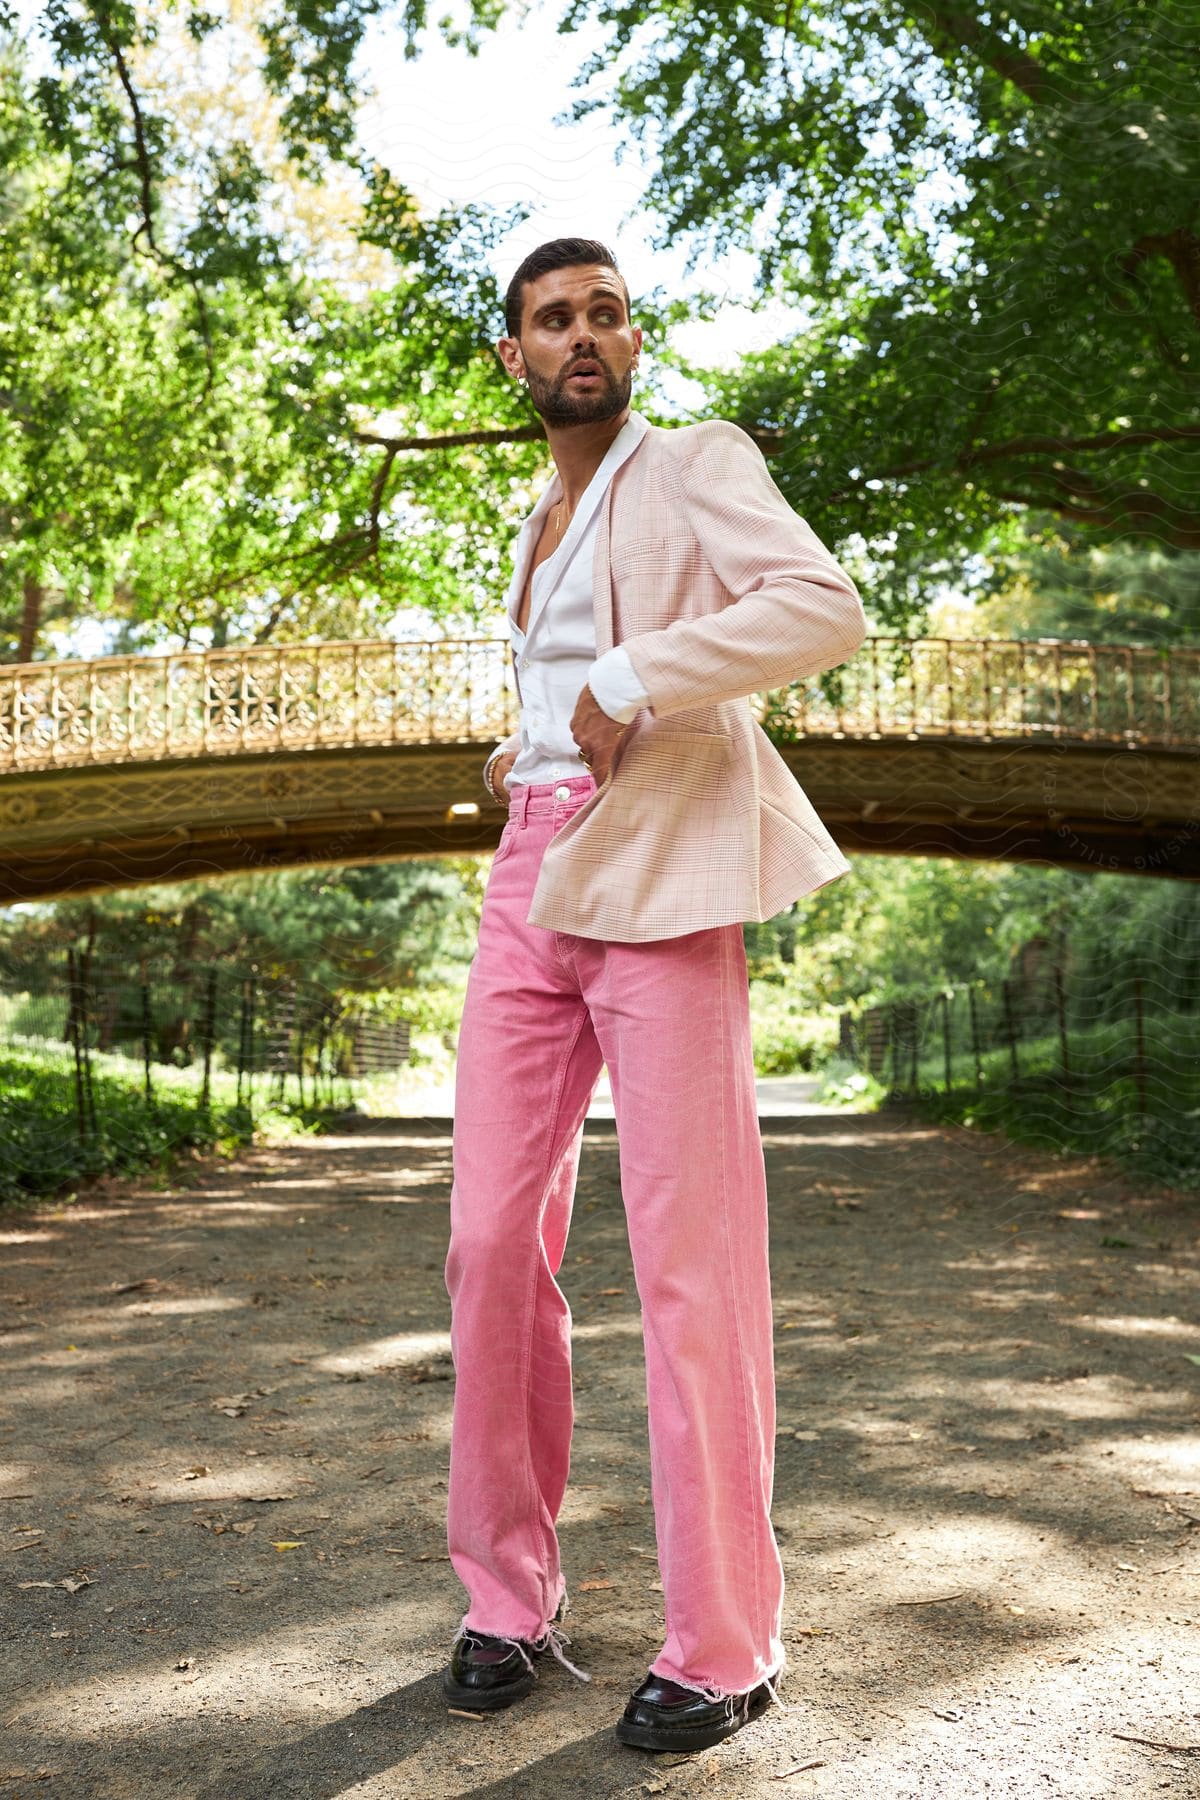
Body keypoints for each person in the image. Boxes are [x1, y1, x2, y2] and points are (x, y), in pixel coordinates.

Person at [441, 237, 866, 1755]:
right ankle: (508, 1596)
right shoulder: (536, 515)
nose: (583, 335)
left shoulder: (690, 461)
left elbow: (823, 605)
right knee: (491, 1240)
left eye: (606, 312)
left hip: (664, 868)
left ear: (632, 340)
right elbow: (556, 684)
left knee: (692, 1262)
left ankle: (727, 1641)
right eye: (553, 318)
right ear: (514, 355)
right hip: (532, 870)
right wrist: (531, 746)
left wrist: (627, 683)